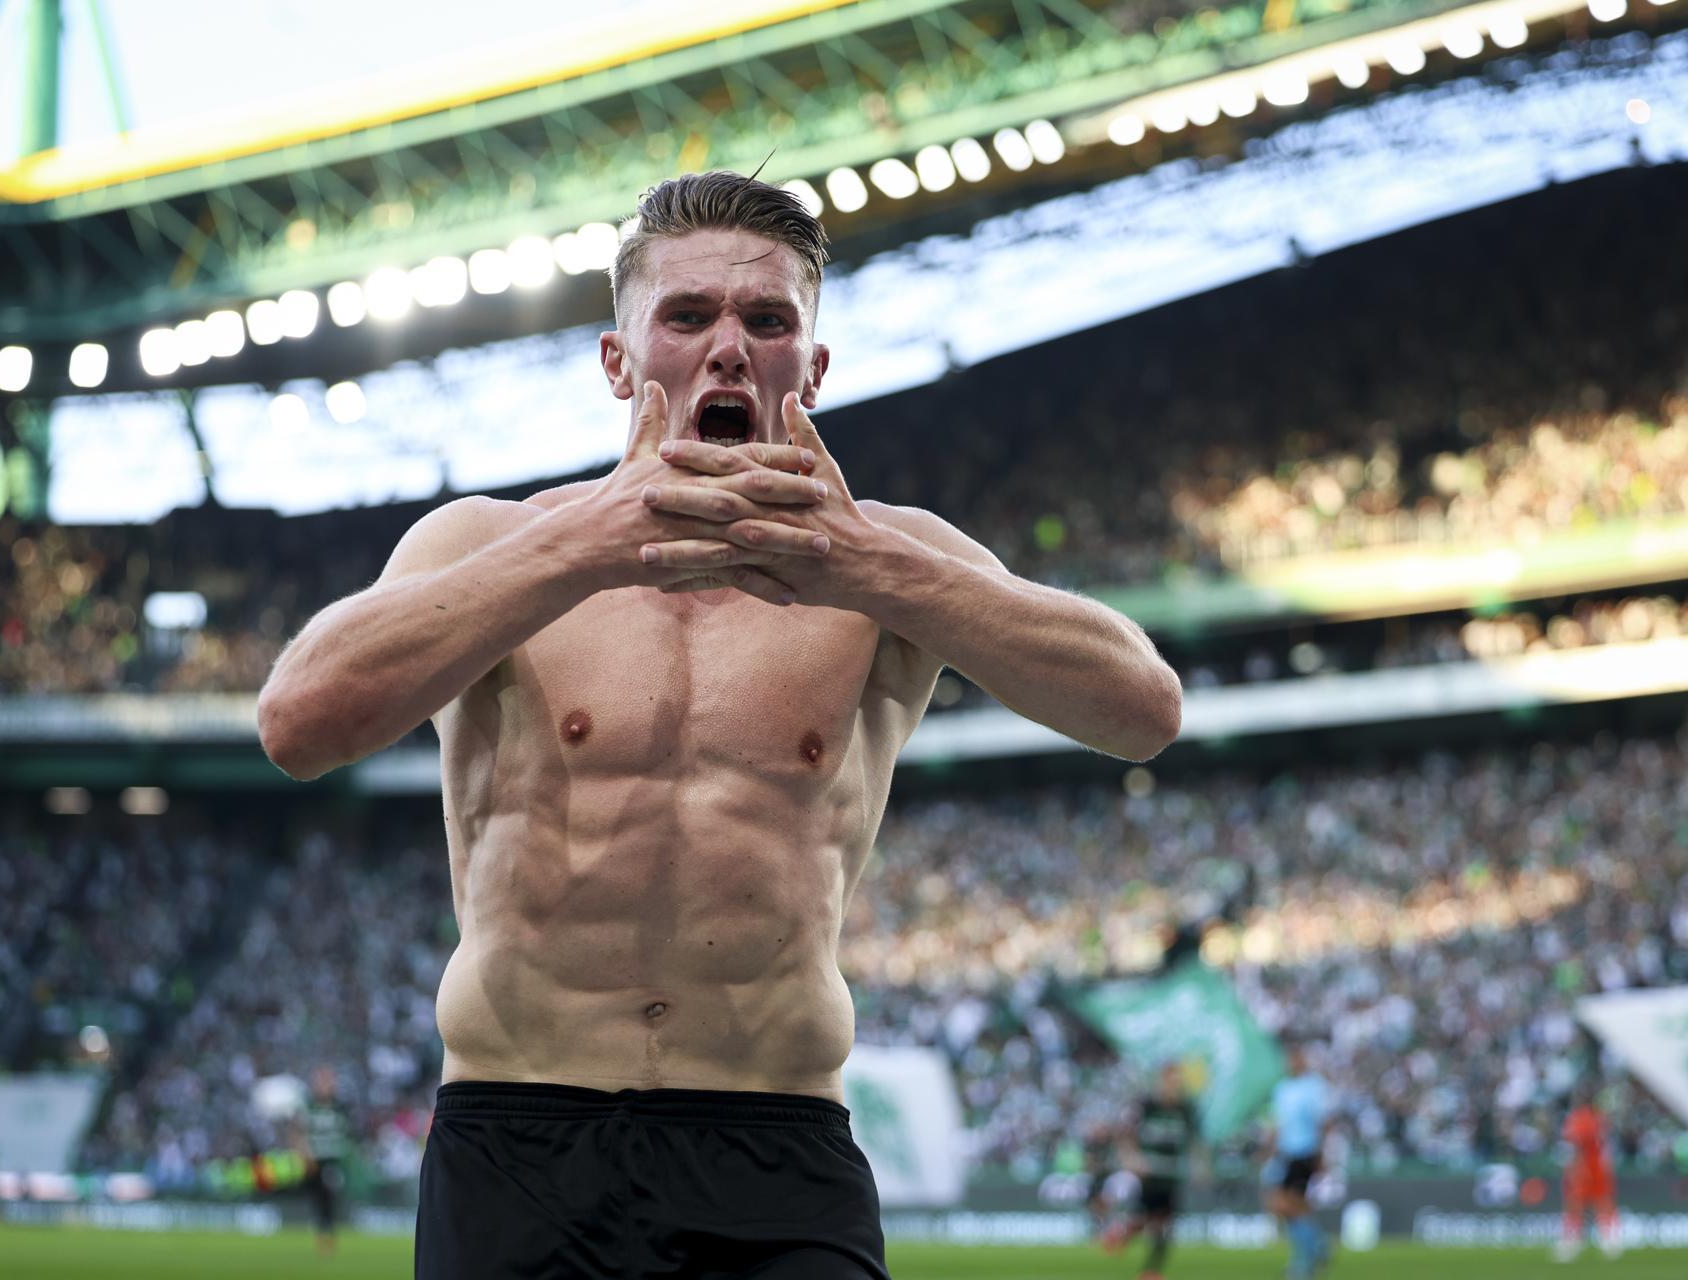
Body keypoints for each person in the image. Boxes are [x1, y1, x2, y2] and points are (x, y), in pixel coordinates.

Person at [257, 170, 1183, 1278]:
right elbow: (298, 722)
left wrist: (877, 568)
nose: (730, 346)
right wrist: (582, 548)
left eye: (768, 319)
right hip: (521, 1135)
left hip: (776, 1142)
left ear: (814, 367)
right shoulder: (487, 542)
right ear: (619, 360)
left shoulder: (892, 559)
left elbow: (1142, 708)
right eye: (688, 315)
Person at [1101, 1063, 1199, 1280]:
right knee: (1144, 1220)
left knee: (1164, 1225)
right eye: (1170, 1080)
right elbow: (1124, 1133)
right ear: (1161, 1081)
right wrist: (1132, 1158)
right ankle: (1122, 1235)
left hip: (1171, 1176)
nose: (1174, 1085)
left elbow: (1193, 1141)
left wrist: (1199, 1167)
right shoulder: (1147, 1106)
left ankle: (1150, 1271)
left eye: (1177, 1080)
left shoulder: (1186, 1109)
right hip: (1149, 1176)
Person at [1263, 1042, 1333, 1280]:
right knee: (1291, 1208)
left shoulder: (1314, 1087)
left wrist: (1322, 1156)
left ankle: (1305, 1260)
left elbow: (1322, 1122)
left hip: (1305, 1152)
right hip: (1286, 1154)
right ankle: (1316, 1246)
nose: (1293, 1062)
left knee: (1287, 1205)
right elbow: (1277, 1124)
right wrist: (1269, 1149)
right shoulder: (1282, 1088)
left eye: (1297, 1057)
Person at [1555, 1081, 1622, 1262]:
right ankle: (1610, 1241)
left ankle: (1572, 1242)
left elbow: (1577, 1144)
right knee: (1602, 1203)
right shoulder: (1600, 1118)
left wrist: (1574, 1168)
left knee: (1578, 1204)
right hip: (1599, 1166)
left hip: (1585, 1167)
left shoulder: (1580, 1118)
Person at [293, 1065, 352, 1258]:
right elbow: (300, 1133)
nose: (326, 1086)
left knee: (329, 1198)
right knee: (317, 1199)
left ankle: (328, 1236)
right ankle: (322, 1235)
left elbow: (344, 1134)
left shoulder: (339, 1106)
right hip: (314, 1160)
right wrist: (305, 1155)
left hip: (332, 1160)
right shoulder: (309, 1106)